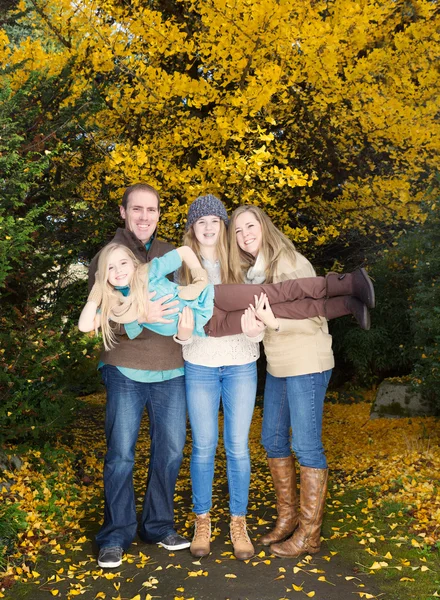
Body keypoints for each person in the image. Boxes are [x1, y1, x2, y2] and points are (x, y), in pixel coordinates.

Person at [228, 205, 375, 559]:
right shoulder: (253, 273)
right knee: (273, 439)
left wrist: (273, 321)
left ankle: (309, 535)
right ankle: (288, 519)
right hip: (279, 364)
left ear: (264, 227)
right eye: (237, 230)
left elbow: (314, 317)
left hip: (307, 361)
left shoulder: (291, 262)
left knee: (306, 445)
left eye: (251, 226)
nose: (245, 234)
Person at [86, 183, 189, 569]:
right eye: (137, 209)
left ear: (159, 215)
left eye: (152, 210)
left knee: (171, 450)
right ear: (123, 212)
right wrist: (138, 317)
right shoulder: (110, 256)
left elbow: (185, 302)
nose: (145, 216)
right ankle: (115, 534)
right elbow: (99, 310)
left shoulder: (169, 254)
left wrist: (185, 326)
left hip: (172, 367)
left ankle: (159, 526)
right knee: (121, 455)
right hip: (124, 366)